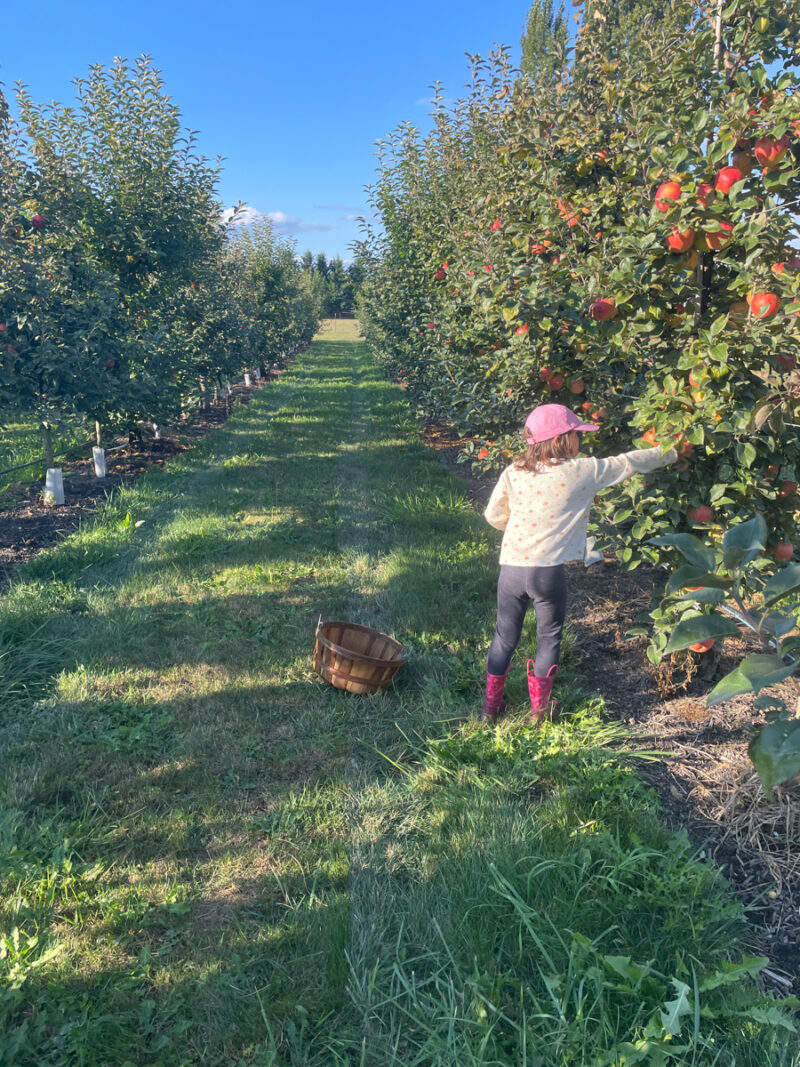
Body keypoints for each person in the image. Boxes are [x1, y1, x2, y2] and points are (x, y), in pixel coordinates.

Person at [481, 403, 679, 723]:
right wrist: (671, 452)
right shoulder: (583, 471)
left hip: (512, 570)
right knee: (548, 637)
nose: (579, 441)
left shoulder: (514, 471)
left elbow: (493, 516)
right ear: (560, 440)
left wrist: (519, 525)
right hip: (547, 575)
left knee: (504, 637)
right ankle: (539, 713)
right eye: (575, 434)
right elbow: (628, 462)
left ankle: (490, 708)